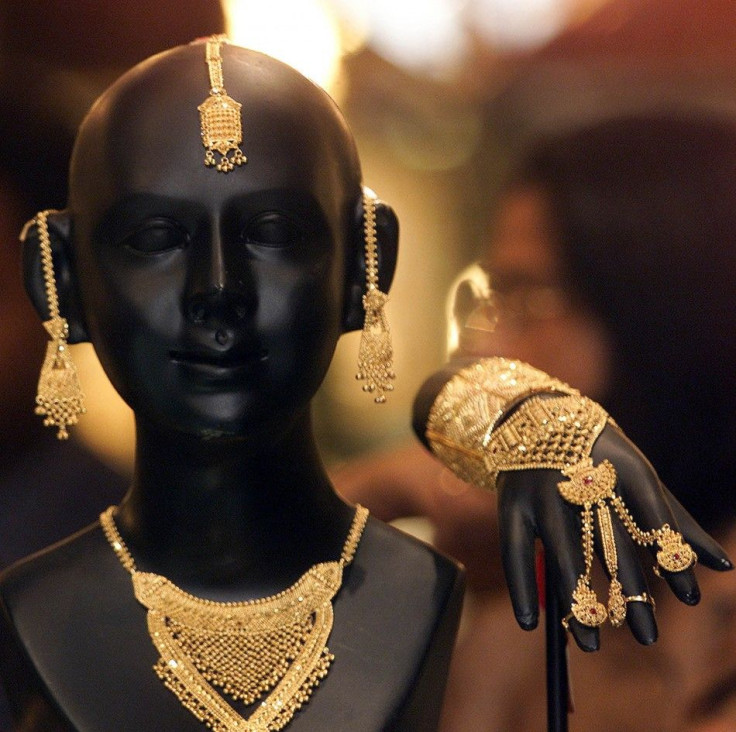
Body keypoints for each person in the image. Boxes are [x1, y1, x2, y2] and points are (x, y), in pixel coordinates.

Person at [0, 38, 465, 731]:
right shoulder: (36, 609)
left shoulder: (430, 592)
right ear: (60, 282)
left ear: (368, 263)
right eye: (156, 238)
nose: (218, 289)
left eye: (273, 232)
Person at [339, 112, 736, 730]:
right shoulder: (558, 582)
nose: (487, 348)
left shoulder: (699, 622)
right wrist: (370, 495)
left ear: (660, 311)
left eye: (526, 298)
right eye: (491, 298)